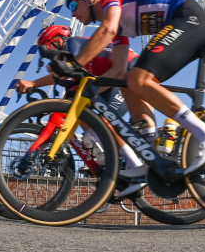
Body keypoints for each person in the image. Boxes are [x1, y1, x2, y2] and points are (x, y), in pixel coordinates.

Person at [63, 0, 205, 178]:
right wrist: (87, 93)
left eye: (72, 5)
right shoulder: (118, 27)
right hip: (183, 24)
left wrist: (74, 64)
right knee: (129, 81)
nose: (72, 14)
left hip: (189, 17)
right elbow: (118, 72)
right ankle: (151, 155)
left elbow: (108, 30)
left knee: (139, 79)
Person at [16, 24, 151, 196]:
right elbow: (63, 77)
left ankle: (135, 166)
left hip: (124, 77)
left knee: (103, 121)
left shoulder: (73, 45)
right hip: (109, 80)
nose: (48, 56)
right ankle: (108, 158)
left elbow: (61, 75)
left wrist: (33, 83)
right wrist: (34, 84)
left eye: (48, 49)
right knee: (81, 114)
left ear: (57, 42)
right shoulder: (74, 54)